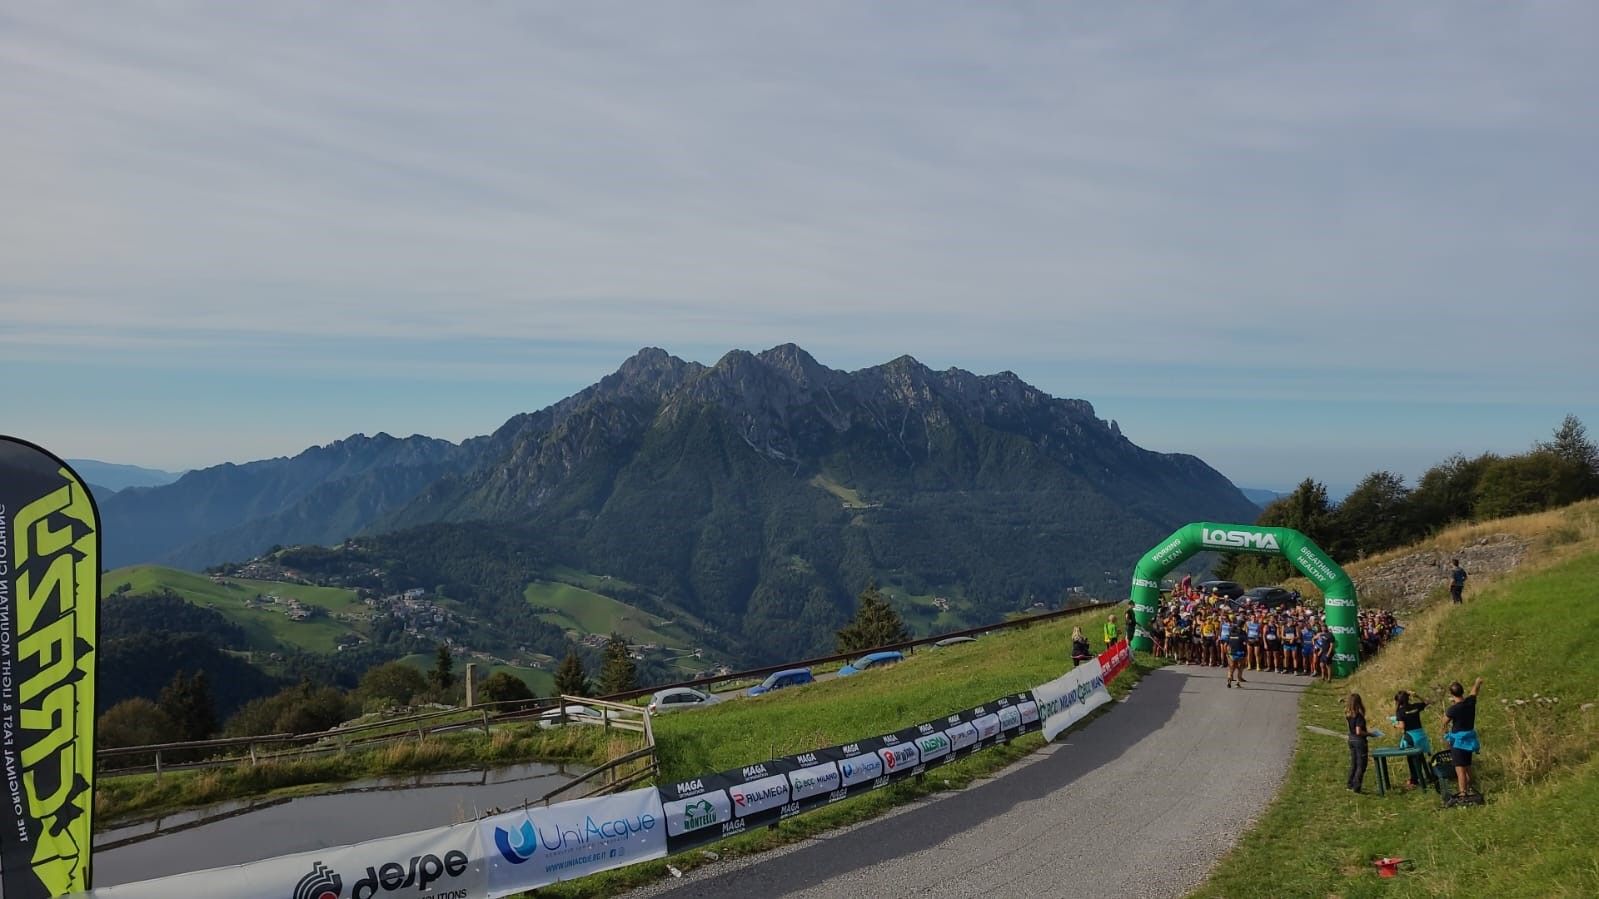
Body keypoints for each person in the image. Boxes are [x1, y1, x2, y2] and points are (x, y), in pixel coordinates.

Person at [1443, 677, 1484, 800]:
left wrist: (1445, 735)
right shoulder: (1470, 702)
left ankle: (1463, 794)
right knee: (1467, 765)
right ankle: (1471, 787)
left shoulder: (1453, 709)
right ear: (1462, 691)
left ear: (1451, 694)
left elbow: (1444, 721)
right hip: (1469, 740)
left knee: (1460, 769)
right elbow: (1474, 691)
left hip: (1458, 742)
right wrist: (1477, 682)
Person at [1394, 690, 1432, 788]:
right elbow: (1428, 702)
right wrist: (1417, 695)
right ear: (1408, 698)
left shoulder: (1400, 712)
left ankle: (1414, 780)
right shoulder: (1415, 706)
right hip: (1421, 736)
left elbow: (1402, 726)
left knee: (1411, 759)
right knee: (1420, 757)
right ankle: (1427, 775)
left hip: (1411, 737)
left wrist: (1395, 725)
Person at [1346, 693, 1370, 792]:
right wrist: (1369, 734)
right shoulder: (1359, 716)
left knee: (1354, 763)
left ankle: (1350, 784)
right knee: (1361, 764)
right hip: (1359, 741)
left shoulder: (1348, 714)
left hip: (1351, 739)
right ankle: (1356, 786)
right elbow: (1358, 731)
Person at [1225, 616, 1248, 688]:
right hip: (1240, 653)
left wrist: (1227, 653)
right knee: (1240, 667)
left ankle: (1229, 680)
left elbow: (1226, 644)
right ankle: (1237, 683)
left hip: (1232, 653)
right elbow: (1246, 643)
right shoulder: (1243, 633)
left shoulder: (1231, 632)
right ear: (1243, 625)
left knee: (1231, 667)